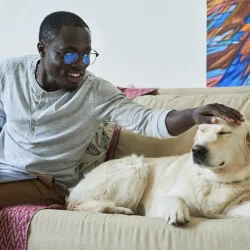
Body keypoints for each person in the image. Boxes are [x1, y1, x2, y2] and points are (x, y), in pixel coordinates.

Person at [0, 11, 244, 209]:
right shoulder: (10, 71)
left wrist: (192, 115)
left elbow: (147, 120)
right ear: (43, 49)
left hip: (47, 182)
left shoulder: (94, 92)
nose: (79, 65)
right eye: (70, 54)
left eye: (86, 56)